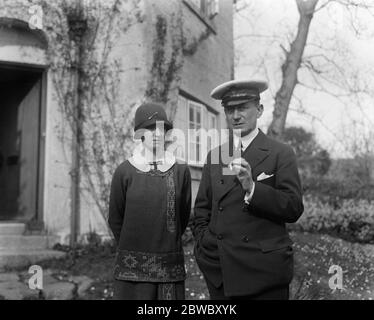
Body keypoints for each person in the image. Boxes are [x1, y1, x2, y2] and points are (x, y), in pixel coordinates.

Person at [193, 80, 304, 300]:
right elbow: (202, 211)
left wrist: (252, 188)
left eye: (243, 108)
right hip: (221, 271)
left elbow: (293, 208)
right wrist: (205, 245)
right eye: (230, 110)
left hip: (265, 275)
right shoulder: (215, 156)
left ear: (259, 110)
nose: (235, 116)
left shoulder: (280, 153)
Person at [108, 102, 191, 300]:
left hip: (169, 268)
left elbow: (184, 216)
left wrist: (166, 241)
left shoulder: (180, 171)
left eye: (161, 128)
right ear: (139, 134)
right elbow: (115, 219)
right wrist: (134, 247)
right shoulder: (124, 171)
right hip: (132, 271)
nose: (156, 133)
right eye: (150, 128)